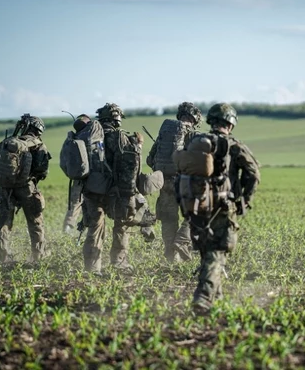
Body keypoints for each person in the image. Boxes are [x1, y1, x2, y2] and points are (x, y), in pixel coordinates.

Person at [175, 102, 260, 312]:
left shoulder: (196, 141)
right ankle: (203, 297)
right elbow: (254, 174)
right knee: (217, 251)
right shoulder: (233, 145)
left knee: (206, 251)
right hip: (222, 205)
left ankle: (218, 299)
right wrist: (244, 200)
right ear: (230, 124)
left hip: (196, 204)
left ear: (211, 121)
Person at [82, 103, 156, 275]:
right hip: (114, 191)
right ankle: (119, 263)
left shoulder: (88, 136)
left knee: (95, 227)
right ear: (117, 119)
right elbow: (129, 167)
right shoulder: (119, 137)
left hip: (92, 188)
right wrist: (137, 147)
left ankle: (92, 268)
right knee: (122, 224)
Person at [146, 101, 202, 263]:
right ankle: (182, 240)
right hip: (185, 182)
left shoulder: (165, 134)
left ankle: (171, 257)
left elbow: (150, 160)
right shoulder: (193, 134)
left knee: (169, 219)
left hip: (164, 181)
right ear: (195, 119)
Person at [0, 115, 51, 264]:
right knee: (35, 222)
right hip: (27, 187)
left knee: (3, 222)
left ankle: (2, 257)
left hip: (5, 188)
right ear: (39, 131)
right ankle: (37, 257)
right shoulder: (38, 145)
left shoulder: (9, 142)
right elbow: (42, 171)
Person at [62, 114, 92, 234]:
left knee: (75, 204)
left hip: (78, 177)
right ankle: (90, 229)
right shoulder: (92, 135)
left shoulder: (74, 138)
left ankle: (67, 229)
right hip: (92, 176)